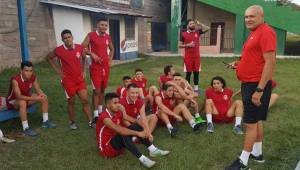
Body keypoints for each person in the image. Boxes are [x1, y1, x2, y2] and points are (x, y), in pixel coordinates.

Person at [225, 5, 277, 170]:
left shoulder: (266, 32)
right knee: (256, 120)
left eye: (252, 16)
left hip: (255, 85)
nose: (248, 19)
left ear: (261, 16)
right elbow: (255, 57)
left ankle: (243, 161)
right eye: (246, 17)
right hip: (250, 83)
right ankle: (257, 153)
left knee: (249, 124)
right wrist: (239, 64)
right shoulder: (255, 33)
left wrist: (259, 90)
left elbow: (270, 62)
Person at [96, 93, 169, 168]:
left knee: (136, 125)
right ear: (108, 105)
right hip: (106, 149)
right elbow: (120, 131)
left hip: (119, 146)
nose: (118, 105)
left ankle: (153, 150)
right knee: (123, 133)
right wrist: (138, 133)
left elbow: (134, 120)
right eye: (115, 103)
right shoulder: (104, 117)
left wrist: (147, 131)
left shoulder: (117, 112)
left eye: (118, 102)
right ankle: (143, 159)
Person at [47, 29, 95, 130]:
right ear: (62, 40)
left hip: (79, 80)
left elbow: (84, 58)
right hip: (68, 81)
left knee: (85, 100)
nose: (68, 39)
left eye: (69, 37)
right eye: (65, 38)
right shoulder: (58, 50)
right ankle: (72, 122)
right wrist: (58, 71)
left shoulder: (79, 47)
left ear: (72, 37)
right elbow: (49, 58)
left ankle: (91, 121)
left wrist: (84, 71)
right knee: (71, 102)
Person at [6, 61, 56, 137]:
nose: (29, 73)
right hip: (13, 101)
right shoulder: (15, 80)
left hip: (26, 97)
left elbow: (38, 89)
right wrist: (35, 98)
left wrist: (41, 95)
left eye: (30, 71)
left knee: (44, 97)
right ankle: (26, 128)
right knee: (22, 102)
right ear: (21, 70)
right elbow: (19, 96)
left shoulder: (32, 77)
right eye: (26, 71)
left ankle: (45, 122)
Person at [82, 18, 115, 119]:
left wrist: (110, 60)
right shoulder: (91, 35)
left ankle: (100, 110)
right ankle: (96, 114)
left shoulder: (107, 37)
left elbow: (112, 49)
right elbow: (82, 47)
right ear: (97, 25)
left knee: (103, 89)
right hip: (95, 67)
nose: (104, 27)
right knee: (96, 90)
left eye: (106, 25)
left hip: (105, 67)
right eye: (102, 25)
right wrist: (92, 54)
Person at [178, 19, 209, 92]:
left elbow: (208, 28)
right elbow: (179, 45)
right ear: (187, 25)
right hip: (188, 57)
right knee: (188, 73)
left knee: (196, 73)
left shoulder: (197, 32)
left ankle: (196, 89)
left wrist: (200, 24)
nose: (193, 25)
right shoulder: (183, 34)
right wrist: (188, 45)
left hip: (196, 57)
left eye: (193, 23)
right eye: (191, 24)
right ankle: (187, 88)